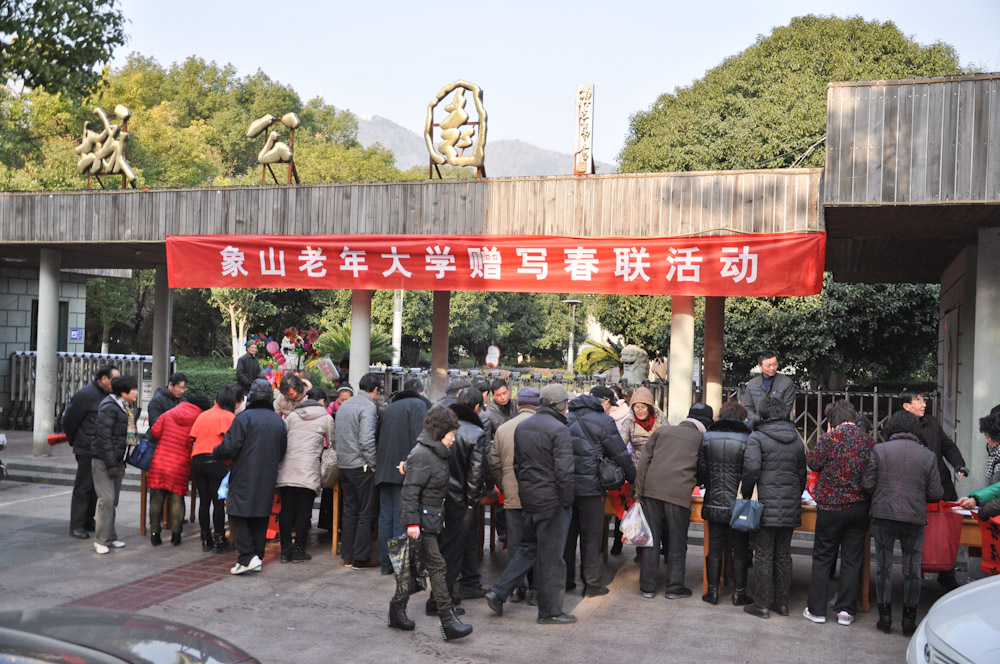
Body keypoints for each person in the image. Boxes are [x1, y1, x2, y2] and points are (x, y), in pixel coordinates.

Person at [484, 384, 577, 625]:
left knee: (527, 549)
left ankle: (499, 592)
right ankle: (550, 611)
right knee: (552, 558)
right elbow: (564, 472)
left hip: (528, 498)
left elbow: (517, 465)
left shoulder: (523, 426)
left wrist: (526, 491)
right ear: (560, 405)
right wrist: (566, 501)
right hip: (552, 501)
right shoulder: (559, 429)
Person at [393, 406, 473, 641]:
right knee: (437, 567)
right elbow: (410, 492)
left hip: (430, 519)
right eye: (451, 434)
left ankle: (396, 610)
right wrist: (412, 524)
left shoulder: (435, 453)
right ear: (440, 432)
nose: (454, 439)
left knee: (410, 570)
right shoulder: (424, 454)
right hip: (421, 523)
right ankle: (448, 621)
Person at [863, 410, 943, 636]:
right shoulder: (928, 455)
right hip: (914, 517)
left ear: (892, 427)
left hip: (883, 515)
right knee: (913, 569)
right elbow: (936, 493)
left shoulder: (879, 450)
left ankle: (885, 617)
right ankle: (909, 620)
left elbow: (868, 485)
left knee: (884, 567)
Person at [802, 399, 876, 626]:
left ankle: (817, 610)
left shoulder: (828, 439)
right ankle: (845, 611)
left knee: (823, 557)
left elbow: (813, 463)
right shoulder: (868, 442)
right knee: (852, 558)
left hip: (831, 507)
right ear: (853, 416)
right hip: (859, 507)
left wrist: (827, 435)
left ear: (832, 421)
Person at [635, 403, 712, 600]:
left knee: (650, 539)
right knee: (677, 541)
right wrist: (696, 481)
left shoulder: (662, 431)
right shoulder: (702, 439)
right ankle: (674, 588)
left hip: (651, 491)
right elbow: (703, 469)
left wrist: (638, 493)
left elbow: (644, 462)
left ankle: (647, 587)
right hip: (679, 494)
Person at [564, 386, 635, 596]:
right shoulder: (603, 421)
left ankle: (566, 580)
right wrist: (634, 480)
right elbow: (620, 454)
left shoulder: (566, 418)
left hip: (567, 485)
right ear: (603, 401)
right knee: (591, 536)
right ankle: (592, 584)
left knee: (568, 536)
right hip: (592, 488)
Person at [213, 378, 288, 574]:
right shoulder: (279, 422)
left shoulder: (244, 418)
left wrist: (216, 452)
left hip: (244, 473)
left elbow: (229, 447)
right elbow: (282, 453)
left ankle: (247, 556)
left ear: (251, 397)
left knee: (236, 513)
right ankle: (256, 557)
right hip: (268, 475)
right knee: (260, 516)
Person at [742, 395, 807, 619]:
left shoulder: (757, 437)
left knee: (763, 554)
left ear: (762, 413)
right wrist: (794, 495)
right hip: (790, 504)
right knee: (783, 554)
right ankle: (782, 603)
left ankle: (761, 604)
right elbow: (801, 473)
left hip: (765, 505)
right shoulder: (796, 438)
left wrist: (747, 494)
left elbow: (751, 469)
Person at [899, 390, 969, 590]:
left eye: (923, 400)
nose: (924, 404)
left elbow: (947, 446)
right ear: (906, 406)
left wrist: (959, 465)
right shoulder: (900, 425)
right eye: (919, 401)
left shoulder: (932, 422)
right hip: (915, 487)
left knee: (948, 525)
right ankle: (914, 573)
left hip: (941, 483)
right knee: (915, 531)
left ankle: (947, 572)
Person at [426, 387, 485, 614]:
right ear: (477, 407)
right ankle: (439, 602)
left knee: (442, 549)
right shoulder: (476, 433)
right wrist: (471, 500)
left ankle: (443, 597)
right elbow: (476, 472)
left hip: (438, 496)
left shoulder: (441, 428)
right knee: (451, 552)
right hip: (459, 500)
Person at [696, 399, 753, 605]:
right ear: (742, 417)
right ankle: (739, 594)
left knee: (715, 545)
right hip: (739, 503)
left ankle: (712, 592)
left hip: (714, 499)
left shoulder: (707, 437)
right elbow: (751, 470)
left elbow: (701, 469)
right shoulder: (748, 438)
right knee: (740, 547)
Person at [488, 387, 540, 603]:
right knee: (537, 542)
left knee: (516, 543)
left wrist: (504, 484)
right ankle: (535, 589)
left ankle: (517, 588)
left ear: (518, 406)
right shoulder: (546, 427)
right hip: (538, 495)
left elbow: (493, 462)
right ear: (538, 405)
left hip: (512, 494)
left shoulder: (503, 429)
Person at [374, 378, 431, 574]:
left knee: (385, 517)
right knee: (401, 517)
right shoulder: (418, 405)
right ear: (421, 392)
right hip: (403, 470)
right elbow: (419, 440)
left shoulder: (389, 408)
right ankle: (400, 566)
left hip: (383, 470)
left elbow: (377, 437)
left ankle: (385, 564)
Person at [147, 394, 212, 546]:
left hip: (160, 460)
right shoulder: (199, 418)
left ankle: (155, 534)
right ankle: (176, 535)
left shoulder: (169, 413)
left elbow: (155, 431)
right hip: (180, 462)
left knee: (157, 498)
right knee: (177, 499)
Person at [63, 364, 119, 539]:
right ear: (104, 379)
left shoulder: (110, 396)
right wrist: (75, 441)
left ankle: (88, 520)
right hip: (86, 447)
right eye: (115, 379)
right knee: (83, 487)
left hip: (100, 449)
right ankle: (77, 525)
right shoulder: (85, 395)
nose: (117, 383)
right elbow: (70, 421)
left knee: (96, 488)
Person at [277, 386, 332, 563]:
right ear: (322, 401)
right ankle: (299, 551)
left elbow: (283, 438)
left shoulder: (292, 416)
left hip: (287, 467)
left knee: (286, 510)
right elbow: (333, 446)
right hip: (308, 469)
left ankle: (285, 551)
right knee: (303, 511)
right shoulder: (326, 418)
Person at [336, 372, 381, 569]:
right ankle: (360, 558)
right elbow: (367, 440)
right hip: (361, 466)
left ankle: (347, 556)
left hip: (344, 465)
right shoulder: (368, 407)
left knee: (350, 511)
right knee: (365, 512)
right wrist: (373, 463)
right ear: (375, 390)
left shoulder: (345, 405)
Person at [189, 385, 241, 553]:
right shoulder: (229, 416)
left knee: (204, 501)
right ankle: (219, 539)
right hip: (216, 461)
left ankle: (205, 538)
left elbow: (193, 437)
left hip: (197, 460)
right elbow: (232, 443)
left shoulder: (203, 415)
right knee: (218, 502)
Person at [91, 374, 139, 555]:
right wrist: (111, 463)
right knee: (107, 500)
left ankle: (110, 536)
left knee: (113, 501)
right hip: (104, 460)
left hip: (118, 460)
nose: (136, 392)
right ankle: (101, 540)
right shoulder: (109, 407)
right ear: (122, 392)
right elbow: (103, 437)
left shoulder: (124, 406)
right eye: (133, 389)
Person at [956, 405, 1000, 521]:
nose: (987, 440)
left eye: (989, 436)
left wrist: (984, 510)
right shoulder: (994, 454)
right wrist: (976, 499)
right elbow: (996, 489)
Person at [618, 386, 666, 469]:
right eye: (637, 407)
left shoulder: (660, 419)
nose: (640, 411)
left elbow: (668, 440)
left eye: (643, 407)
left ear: (649, 408)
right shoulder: (629, 421)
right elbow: (621, 444)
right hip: (638, 466)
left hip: (658, 464)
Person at [742, 351, 796, 424]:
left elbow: (787, 408)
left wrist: (771, 421)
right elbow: (747, 407)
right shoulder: (752, 384)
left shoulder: (786, 383)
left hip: (779, 425)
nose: (772, 368)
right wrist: (758, 419)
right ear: (760, 366)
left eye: (775, 364)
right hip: (757, 425)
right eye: (768, 366)